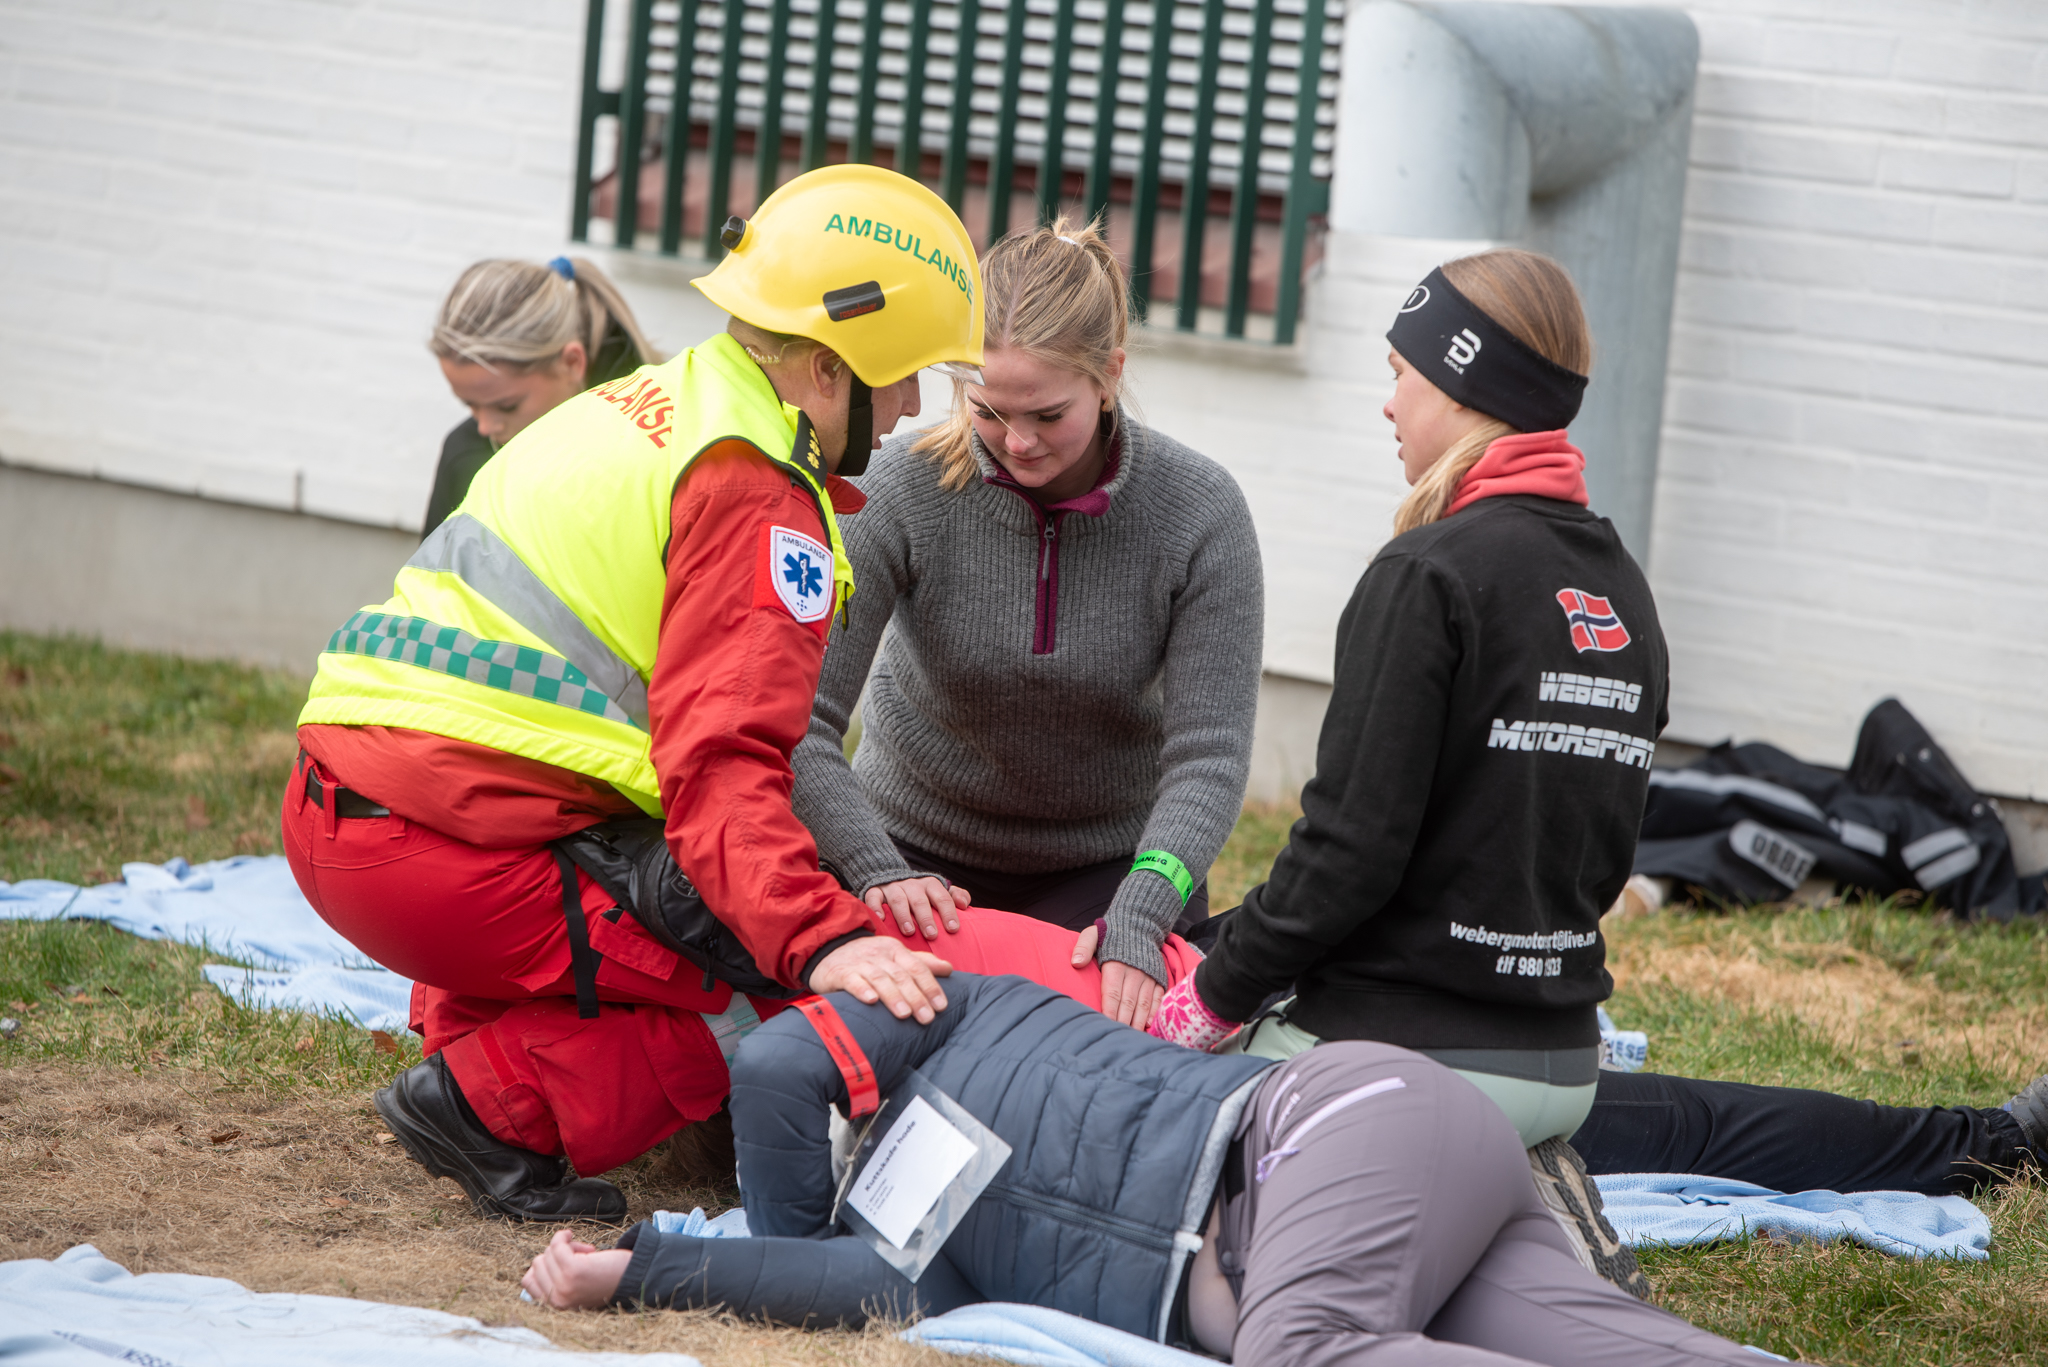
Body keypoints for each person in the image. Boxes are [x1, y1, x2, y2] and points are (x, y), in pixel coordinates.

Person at [1146, 249, 2048, 1204]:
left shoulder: (1426, 575)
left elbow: (1346, 856)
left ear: (1460, 384)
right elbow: (1591, 857)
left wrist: (1207, 997)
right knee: (1696, 1124)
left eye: (1399, 376)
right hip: (1559, 1063)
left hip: (1406, 1064)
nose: (1388, 404)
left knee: (1148, 1098)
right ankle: (1987, 1144)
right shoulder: (1623, 588)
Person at [280, 165, 979, 1224]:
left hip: (356, 813)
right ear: (832, 367)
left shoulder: (642, 406)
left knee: (670, 889)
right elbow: (724, 765)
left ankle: (483, 1058)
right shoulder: (753, 489)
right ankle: (490, 1104)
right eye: (905, 377)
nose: (914, 411)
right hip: (440, 854)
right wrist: (829, 938)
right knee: (771, 987)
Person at [519, 974, 1774, 1367]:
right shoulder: (915, 1245)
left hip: (1308, 1138)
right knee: (1607, 1339)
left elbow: (777, 1071)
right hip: (1408, 1146)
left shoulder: (945, 1016)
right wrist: (652, 1269)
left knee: (1304, 1349)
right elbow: (854, 1285)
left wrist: (691, 1251)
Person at [791, 218, 1263, 1029]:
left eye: (1048, 414)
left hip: (1105, 869)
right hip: (908, 850)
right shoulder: (898, 492)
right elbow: (801, 722)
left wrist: (1145, 906)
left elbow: (1209, 757)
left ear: (1109, 375)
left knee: (1095, 1057)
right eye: (988, 409)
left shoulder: (1201, 512)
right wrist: (872, 866)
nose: (1017, 443)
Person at [424, 256, 661, 534]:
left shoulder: (658, 444)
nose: (485, 427)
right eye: (470, 405)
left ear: (572, 363)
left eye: (507, 406)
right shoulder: (466, 455)